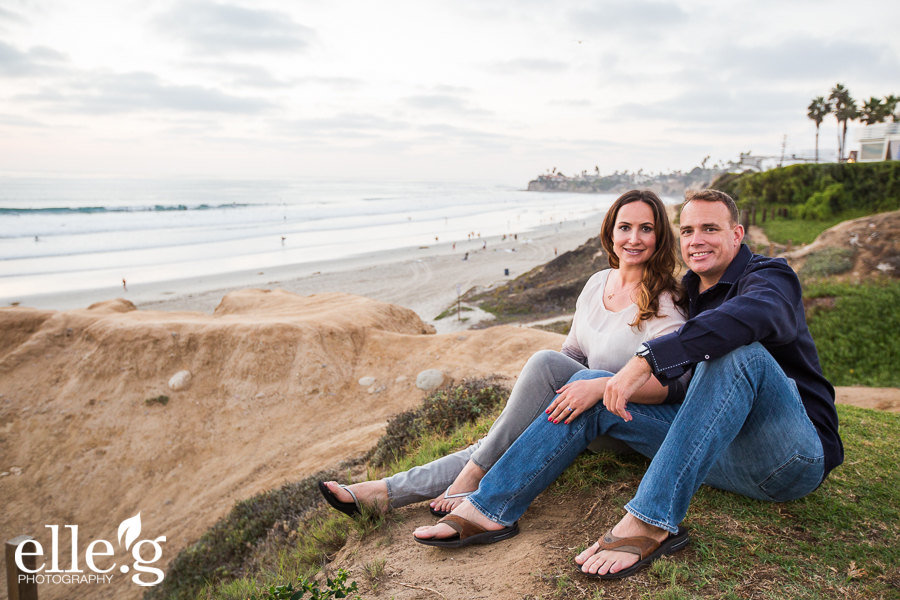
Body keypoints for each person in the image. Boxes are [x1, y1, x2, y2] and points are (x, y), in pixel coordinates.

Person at [412, 189, 843, 581]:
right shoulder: (687, 292)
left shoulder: (771, 278)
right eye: (688, 230)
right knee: (592, 386)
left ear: (737, 234)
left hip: (789, 458)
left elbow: (750, 317)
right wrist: (607, 382)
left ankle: (651, 520)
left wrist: (647, 359)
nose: (698, 239)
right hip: (718, 455)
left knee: (738, 350)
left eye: (711, 228)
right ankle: (492, 507)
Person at [319, 190, 690, 518]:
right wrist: (548, 400)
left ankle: (470, 475)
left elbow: (673, 385)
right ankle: (385, 493)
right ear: (611, 231)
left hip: (619, 421)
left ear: (660, 237)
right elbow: (574, 352)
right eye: (625, 227)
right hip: (581, 405)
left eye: (646, 228)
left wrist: (600, 387)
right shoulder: (597, 283)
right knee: (506, 433)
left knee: (536, 377)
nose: (634, 238)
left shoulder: (666, 302)